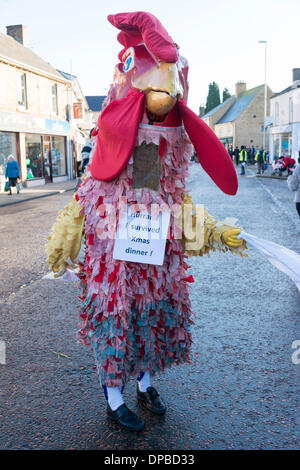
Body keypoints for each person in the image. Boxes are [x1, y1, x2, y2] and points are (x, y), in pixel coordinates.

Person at [46, 11, 247, 433]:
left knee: (150, 320)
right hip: (114, 270)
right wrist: (63, 245)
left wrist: (218, 232)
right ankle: (114, 397)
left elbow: (179, 207)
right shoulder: (104, 171)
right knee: (116, 322)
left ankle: (145, 382)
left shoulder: (161, 165)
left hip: (152, 264)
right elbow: (83, 204)